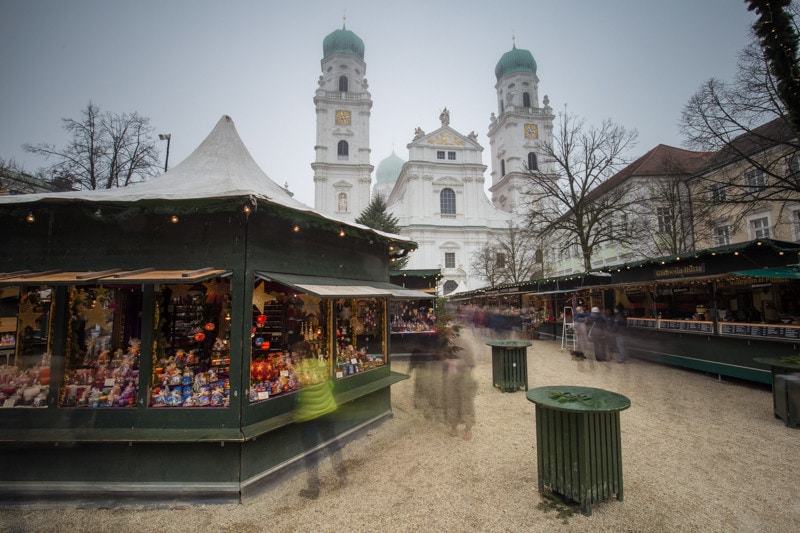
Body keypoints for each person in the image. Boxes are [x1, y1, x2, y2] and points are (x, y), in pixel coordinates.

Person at [293, 341, 345, 499]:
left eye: (294, 354)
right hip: (328, 408)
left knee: (311, 451)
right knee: (332, 442)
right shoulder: (321, 365)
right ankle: (342, 473)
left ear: (300, 355)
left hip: (309, 414)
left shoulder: (298, 370)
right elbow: (331, 385)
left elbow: (298, 395)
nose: (293, 357)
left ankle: (313, 488)